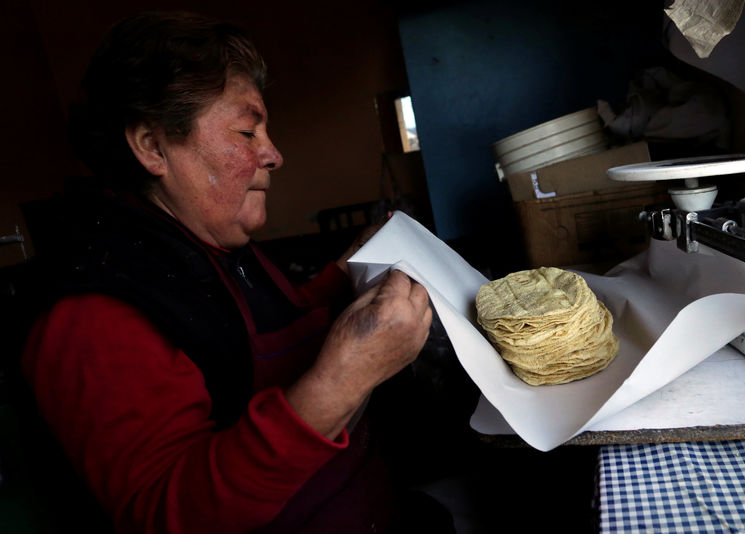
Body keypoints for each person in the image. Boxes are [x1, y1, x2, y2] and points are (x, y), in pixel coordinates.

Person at [20, 11, 437, 534]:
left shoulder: (216, 243)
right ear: (152, 146)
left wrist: (343, 272)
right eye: (247, 130)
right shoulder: (92, 315)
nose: (273, 153)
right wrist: (345, 379)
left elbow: (270, 330)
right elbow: (171, 515)